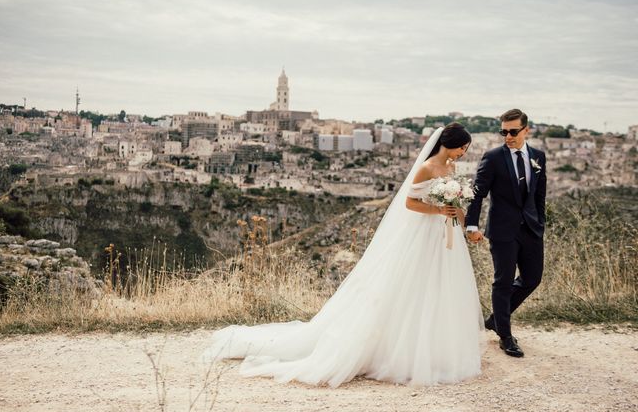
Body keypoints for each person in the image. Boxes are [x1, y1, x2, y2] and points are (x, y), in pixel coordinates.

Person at [204, 123, 484, 387]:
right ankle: (405, 351)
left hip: (443, 235)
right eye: (464, 147)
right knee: (412, 288)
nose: (464, 153)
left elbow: (454, 204)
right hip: (423, 233)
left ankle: (437, 349)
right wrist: (438, 210)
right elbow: (410, 202)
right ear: (451, 144)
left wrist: (460, 218)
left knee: (439, 289)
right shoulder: (426, 167)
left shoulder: (451, 166)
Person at [466, 109, 547, 358]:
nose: (508, 136)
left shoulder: (538, 156)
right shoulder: (492, 158)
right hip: (502, 230)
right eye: (504, 132)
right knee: (502, 282)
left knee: (532, 278)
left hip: (531, 229)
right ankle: (505, 335)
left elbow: (539, 194)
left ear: (526, 130)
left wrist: (540, 222)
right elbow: (477, 193)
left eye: (513, 131)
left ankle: (495, 320)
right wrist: (472, 225)